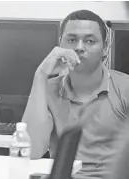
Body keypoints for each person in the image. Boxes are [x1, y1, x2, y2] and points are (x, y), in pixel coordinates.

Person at [22, 9, 129, 179]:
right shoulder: (47, 89)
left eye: (90, 41)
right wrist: (41, 74)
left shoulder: (125, 88)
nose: (79, 47)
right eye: (71, 40)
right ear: (60, 44)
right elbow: (32, 151)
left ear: (105, 48)